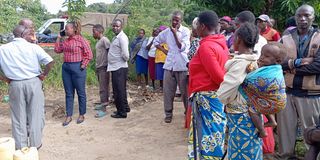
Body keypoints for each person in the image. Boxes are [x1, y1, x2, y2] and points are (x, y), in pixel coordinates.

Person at [0, 25, 54, 149]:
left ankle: (21, 147)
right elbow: (50, 62)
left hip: (15, 84)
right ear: (24, 35)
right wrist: (44, 74)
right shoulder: (33, 47)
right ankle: (35, 145)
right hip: (33, 82)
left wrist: (4, 78)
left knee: (18, 117)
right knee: (35, 114)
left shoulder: (3, 49)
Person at [278, 4, 320, 159]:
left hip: (311, 94)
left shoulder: (319, 37)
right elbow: (277, 63)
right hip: (287, 92)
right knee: (285, 132)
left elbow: (317, 66)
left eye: (307, 15)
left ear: (313, 17)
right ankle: (286, 157)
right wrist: (296, 63)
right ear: (295, 17)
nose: (302, 19)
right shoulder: (286, 38)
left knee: (312, 133)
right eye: (299, 15)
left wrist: (288, 66)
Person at [217, 22, 263, 160]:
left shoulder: (240, 63)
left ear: (238, 39)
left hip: (240, 115)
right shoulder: (255, 60)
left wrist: (223, 99)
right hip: (253, 113)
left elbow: (227, 89)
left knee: (240, 151)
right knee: (251, 148)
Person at [187, 11, 229, 159]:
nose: (195, 28)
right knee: (213, 135)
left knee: (207, 137)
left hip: (207, 99)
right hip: (213, 98)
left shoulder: (206, 47)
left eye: (197, 25)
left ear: (203, 26)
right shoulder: (220, 43)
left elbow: (219, 77)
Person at [241, 42, 287, 138]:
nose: (261, 57)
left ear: (278, 61)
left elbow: (250, 82)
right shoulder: (273, 69)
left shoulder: (271, 74)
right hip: (277, 101)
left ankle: (262, 131)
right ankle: (272, 121)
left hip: (274, 103)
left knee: (253, 110)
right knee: (262, 101)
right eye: (261, 54)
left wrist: (248, 75)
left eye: (266, 56)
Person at [54, 20, 93, 126]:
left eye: (67, 28)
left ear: (74, 29)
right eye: (65, 29)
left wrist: (83, 65)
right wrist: (58, 37)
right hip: (66, 68)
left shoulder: (81, 40)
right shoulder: (66, 41)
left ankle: (81, 114)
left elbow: (89, 54)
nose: (65, 30)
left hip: (78, 67)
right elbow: (57, 50)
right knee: (69, 93)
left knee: (81, 92)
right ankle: (69, 115)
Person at [154, 11, 190, 123]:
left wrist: (174, 33)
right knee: (168, 91)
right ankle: (168, 113)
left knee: (185, 93)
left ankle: (187, 112)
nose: (174, 22)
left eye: (177, 20)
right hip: (169, 65)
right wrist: (164, 50)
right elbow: (156, 41)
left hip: (182, 65)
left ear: (181, 21)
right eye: (173, 20)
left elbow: (181, 47)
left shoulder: (185, 31)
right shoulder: (166, 32)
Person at [108, 19, 130, 118]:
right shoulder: (116, 37)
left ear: (121, 27)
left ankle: (121, 112)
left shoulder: (122, 38)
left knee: (118, 90)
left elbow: (126, 55)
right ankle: (125, 107)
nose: (115, 28)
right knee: (121, 89)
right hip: (116, 67)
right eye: (114, 26)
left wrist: (121, 60)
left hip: (119, 67)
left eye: (117, 26)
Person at [92, 24, 111, 118]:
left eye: (94, 31)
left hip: (104, 66)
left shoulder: (105, 40)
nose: (93, 34)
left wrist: (108, 65)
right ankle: (103, 103)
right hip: (100, 66)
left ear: (99, 31)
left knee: (104, 88)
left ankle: (104, 109)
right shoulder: (99, 41)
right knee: (101, 87)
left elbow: (109, 52)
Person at [154, 26, 168, 91]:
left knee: (165, 75)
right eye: (160, 31)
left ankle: (165, 87)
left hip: (165, 59)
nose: (160, 32)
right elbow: (156, 44)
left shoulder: (168, 39)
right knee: (159, 74)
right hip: (159, 58)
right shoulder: (157, 38)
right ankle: (161, 87)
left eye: (161, 31)